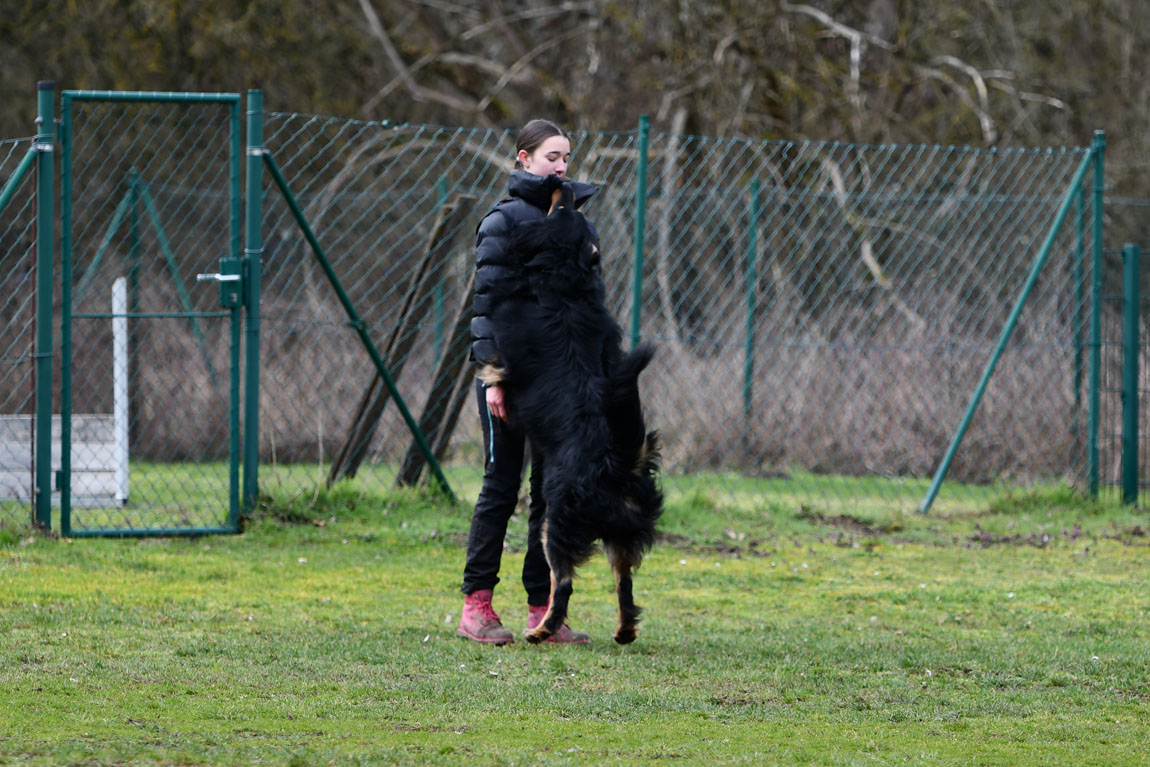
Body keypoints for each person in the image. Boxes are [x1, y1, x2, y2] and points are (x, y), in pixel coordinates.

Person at [457, 119, 601, 645]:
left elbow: (587, 307)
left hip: (559, 386)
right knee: (501, 487)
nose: (561, 166)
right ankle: (477, 607)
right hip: (509, 381)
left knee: (551, 495)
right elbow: (488, 305)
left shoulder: (578, 224)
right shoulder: (502, 221)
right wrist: (494, 376)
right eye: (551, 157)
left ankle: (545, 612)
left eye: (566, 157)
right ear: (523, 158)